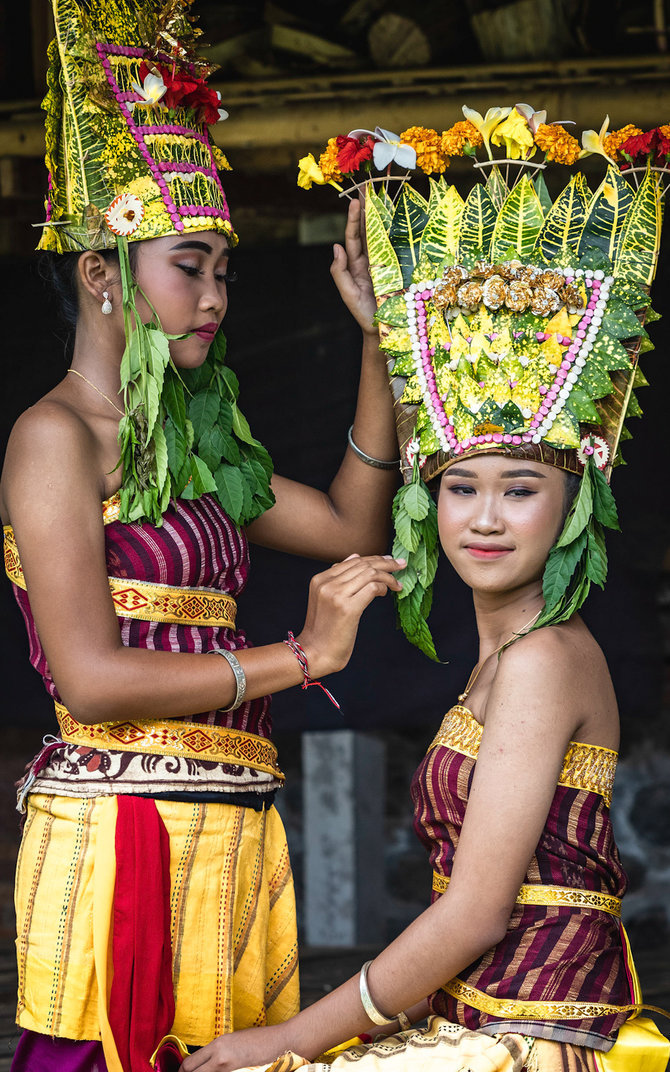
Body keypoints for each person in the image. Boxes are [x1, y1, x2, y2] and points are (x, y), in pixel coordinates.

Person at [176, 114, 670, 1071]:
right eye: (460, 487)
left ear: (574, 503)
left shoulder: (546, 660)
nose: (484, 518)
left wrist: (295, 1036)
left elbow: (480, 910)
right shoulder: (506, 655)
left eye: (520, 489)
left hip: (533, 1041)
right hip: (479, 1023)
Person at [0, 3, 406, 1070]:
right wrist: (299, 659)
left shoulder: (189, 442)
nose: (217, 295)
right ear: (101, 272)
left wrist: (376, 343)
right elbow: (88, 677)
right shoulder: (53, 440)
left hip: (229, 832)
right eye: (191, 265)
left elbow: (349, 525)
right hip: (121, 845)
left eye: (223, 270)